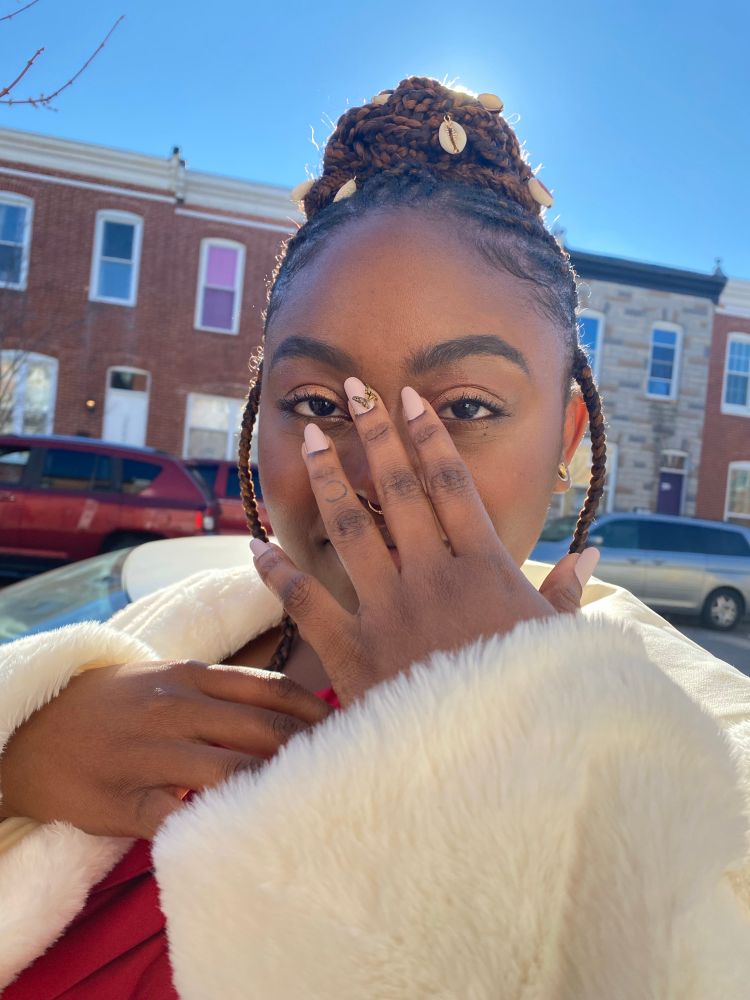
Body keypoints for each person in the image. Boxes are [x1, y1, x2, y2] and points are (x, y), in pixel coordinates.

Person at [1, 76, 750, 999]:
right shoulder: (134, 663)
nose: (377, 471)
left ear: (565, 445)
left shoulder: (702, 755)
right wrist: (17, 758)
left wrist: (499, 771)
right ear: (258, 420)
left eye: (465, 408)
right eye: (317, 405)